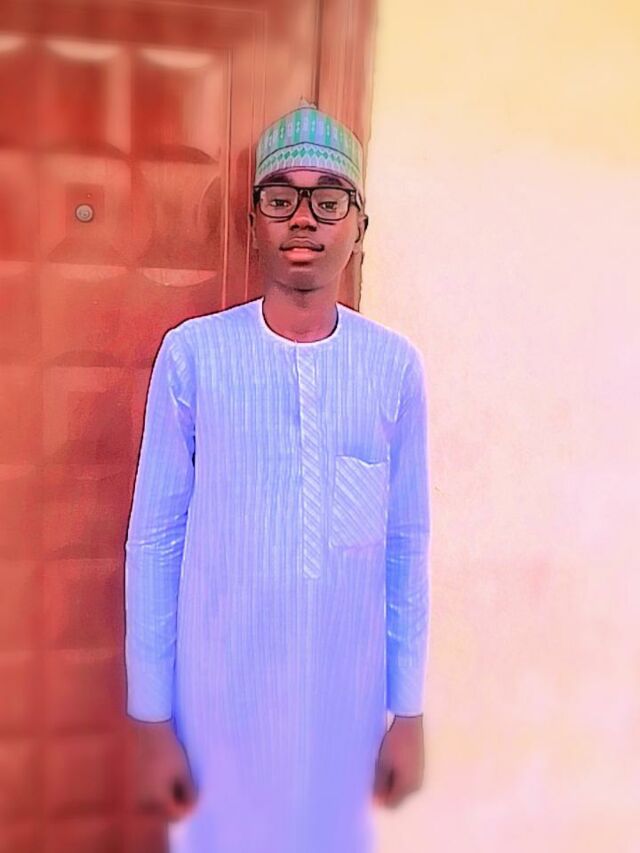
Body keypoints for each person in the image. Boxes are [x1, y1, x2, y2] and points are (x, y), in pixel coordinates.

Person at [124, 102, 431, 853]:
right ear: (253, 222)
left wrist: (409, 711)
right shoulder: (194, 356)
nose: (303, 219)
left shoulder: (393, 366)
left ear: (359, 227)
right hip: (216, 708)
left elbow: (405, 544)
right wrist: (151, 719)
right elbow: (154, 543)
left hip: (344, 711)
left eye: (329, 200)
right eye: (281, 197)